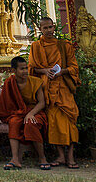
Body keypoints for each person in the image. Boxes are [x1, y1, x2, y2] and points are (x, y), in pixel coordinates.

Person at [29, 16, 80, 169]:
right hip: (48, 89)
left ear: (54, 27)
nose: (48, 30)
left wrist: (61, 72)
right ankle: (61, 155)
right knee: (54, 123)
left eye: (50, 27)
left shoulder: (65, 46)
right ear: (40, 29)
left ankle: (70, 156)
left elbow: (74, 68)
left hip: (63, 88)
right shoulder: (36, 46)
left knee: (70, 121)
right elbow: (32, 68)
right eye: (45, 28)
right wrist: (45, 71)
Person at [0, 56, 50, 170]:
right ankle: (15, 159)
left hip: (35, 111)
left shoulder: (35, 82)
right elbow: (3, 103)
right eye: (22, 69)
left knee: (31, 123)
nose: (25, 71)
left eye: (26, 68)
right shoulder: (9, 82)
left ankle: (42, 158)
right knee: (14, 122)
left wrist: (31, 114)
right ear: (14, 71)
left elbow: (41, 103)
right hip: (18, 112)